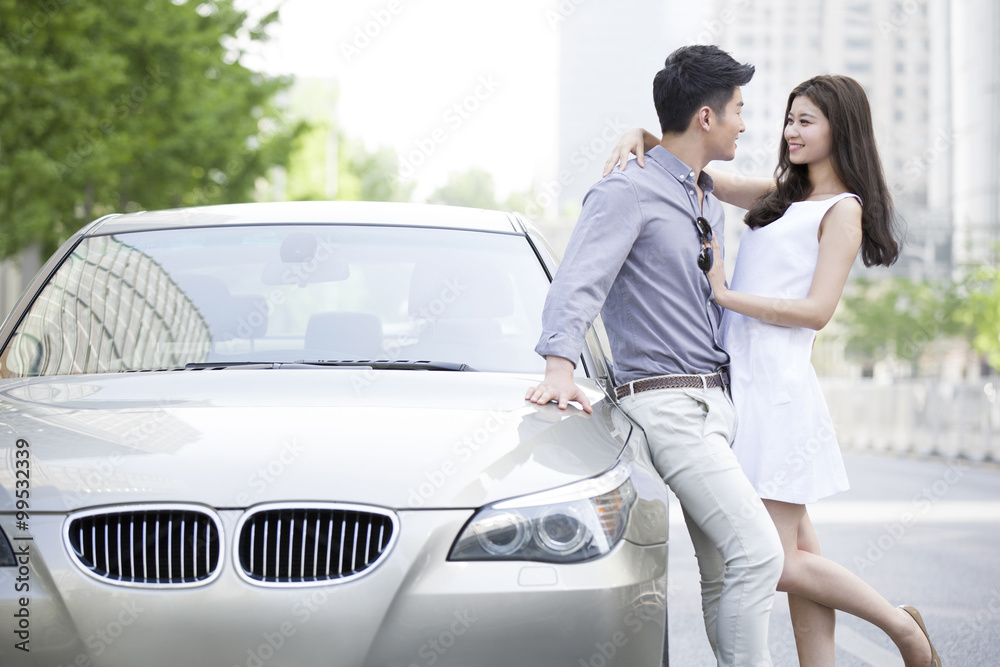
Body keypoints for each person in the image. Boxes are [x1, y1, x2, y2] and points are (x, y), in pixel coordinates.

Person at [604, 74, 941, 667]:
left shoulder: (842, 211)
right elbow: (704, 176)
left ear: (843, 129)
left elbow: (816, 311)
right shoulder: (781, 198)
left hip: (780, 396)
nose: (790, 131)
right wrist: (646, 138)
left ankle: (903, 631)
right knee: (799, 550)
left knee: (776, 560)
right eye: (789, 119)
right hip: (743, 388)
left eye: (806, 121)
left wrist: (725, 296)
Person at [526, 44, 784, 667]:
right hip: (667, 404)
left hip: (713, 404)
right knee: (762, 553)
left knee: (725, 570)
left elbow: (788, 194)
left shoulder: (705, 196)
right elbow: (578, 279)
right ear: (706, 117)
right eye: (738, 112)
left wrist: (645, 133)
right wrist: (558, 364)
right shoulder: (627, 190)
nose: (745, 125)